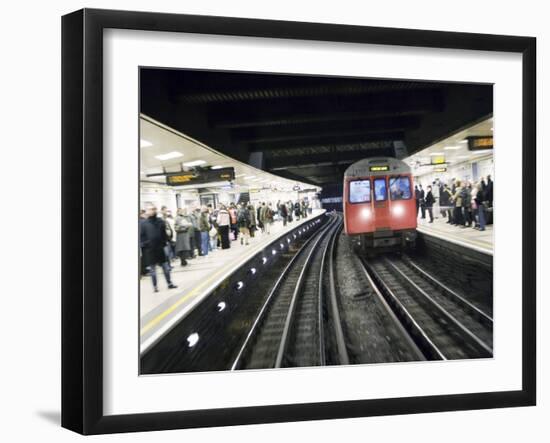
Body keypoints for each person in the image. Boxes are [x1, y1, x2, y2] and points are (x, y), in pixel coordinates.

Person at [140, 205, 177, 292]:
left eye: (154, 209)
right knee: (153, 270)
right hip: (150, 250)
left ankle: (169, 283)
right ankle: (155, 287)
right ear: (147, 211)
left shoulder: (160, 221)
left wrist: (165, 242)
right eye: (150, 209)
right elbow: (141, 236)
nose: (152, 211)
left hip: (160, 248)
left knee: (165, 267)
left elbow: (164, 234)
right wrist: (145, 244)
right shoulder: (143, 223)